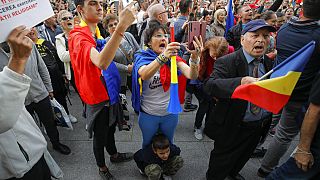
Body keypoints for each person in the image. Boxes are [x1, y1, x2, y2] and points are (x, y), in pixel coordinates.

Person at [69, 0, 136, 179]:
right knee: (100, 135)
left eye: (100, 2)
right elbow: (101, 62)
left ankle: (113, 155)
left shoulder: (94, 31)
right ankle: (102, 167)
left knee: (110, 127)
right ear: (80, 9)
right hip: (98, 98)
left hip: (109, 92)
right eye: (93, 3)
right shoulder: (78, 36)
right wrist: (121, 26)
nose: (99, 7)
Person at [204, 19, 276, 180]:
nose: (261, 40)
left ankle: (233, 172)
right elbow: (210, 86)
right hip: (233, 125)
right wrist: (240, 82)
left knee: (243, 156)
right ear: (243, 39)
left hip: (258, 125)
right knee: (221, 161)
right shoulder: (227, 61)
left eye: (265, 36)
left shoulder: (269, 61)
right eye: (255, 35)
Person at [257, 0, 320, 177]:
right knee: (284, 134)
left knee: (272, 121)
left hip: (280, 87)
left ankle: (256, 149)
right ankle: (266, 168)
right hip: (300, 95)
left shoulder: (284, 29)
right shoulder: (316, 36)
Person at [132, 20, 203, 148]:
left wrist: (194, 58)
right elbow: (144, 74)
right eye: (158, 35)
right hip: (149, 114)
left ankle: (167, 165)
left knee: (168, 143)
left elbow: (192, 75)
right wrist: (163, 57)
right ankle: (146, 166)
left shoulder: (174, 58)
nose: (163, 38)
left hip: (170, 114)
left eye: (165, 36)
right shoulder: (142, 56)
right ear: (148, 42)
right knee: (147, 143)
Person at [0, 26, 59, 180]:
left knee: (50, 122)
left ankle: (56, 144)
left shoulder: (27, 44)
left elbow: (42, 67)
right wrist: (17, 60)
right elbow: (4, 118)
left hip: (39, 95)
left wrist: (49, 88)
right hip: (14, 167)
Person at [266, 73, 320, 179]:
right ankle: (265, 168)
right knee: (283, 133)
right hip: (296, 97)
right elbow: (314, 110)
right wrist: (303, 149)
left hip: (294, 94)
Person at [27, 27, 77, 123]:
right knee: (45, 104)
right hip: (39, 81)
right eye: (29, 30)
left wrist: (63, 73)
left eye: (33, 28)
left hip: (55, 76)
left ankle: (67, 114)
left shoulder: (45, 43)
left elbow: (57, 59)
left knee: (61, 96)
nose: (31, 31)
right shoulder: (26, 48)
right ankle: (50, 121)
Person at [103, 13, 140, 128]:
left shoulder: (128, 35)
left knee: (137, 91)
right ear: (106, 28)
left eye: (116, 23)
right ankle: (123, 113)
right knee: (122, 95)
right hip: (120, 76)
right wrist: (126, 68)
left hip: (134, 72)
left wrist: (136, 63)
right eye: (110, 25)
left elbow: (138, 50)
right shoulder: (106, 43)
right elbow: (109, 63)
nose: (114, 26)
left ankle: (138, 107)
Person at [193, 37, 229, 140]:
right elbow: (196, 73)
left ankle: (208, 127)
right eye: (213, 55)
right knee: (204, 105)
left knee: (212, 106)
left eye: (219, 56)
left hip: (217, 83)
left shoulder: (230, 50)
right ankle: (198, 127)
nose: (215, 59)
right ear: (208, 49)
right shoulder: (203, 53)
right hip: (203, 82)